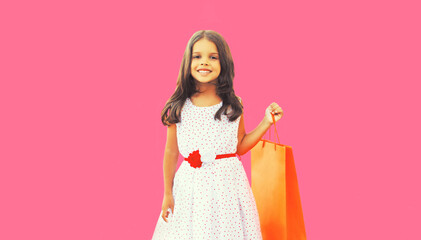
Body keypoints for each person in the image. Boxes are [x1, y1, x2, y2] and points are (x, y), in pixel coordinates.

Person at [152, 30, 283, 239]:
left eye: (213, 57)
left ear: (224, 63)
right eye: (197, 56)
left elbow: (239, 146)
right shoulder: (178, 106)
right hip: (191, 189)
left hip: (228, 188)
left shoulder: (233, 104)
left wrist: (266, 122)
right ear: (188, 61)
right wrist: (167, 193)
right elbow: (170, 152)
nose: (205, 62)